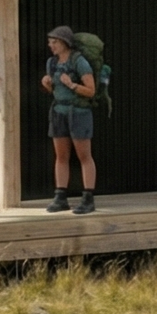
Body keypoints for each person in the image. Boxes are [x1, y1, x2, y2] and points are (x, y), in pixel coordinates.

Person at [41, 25, 98, 214]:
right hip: (59, 112)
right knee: (61, 156)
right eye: (50, 42)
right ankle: (60, 197)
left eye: (54, 42)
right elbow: (55, 92)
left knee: (84, 156)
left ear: (65, 42)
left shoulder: (79, 61)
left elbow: (91, 91)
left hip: (79, 113)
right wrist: (48, 85)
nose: (51, 46)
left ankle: (88, 198)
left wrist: (72, 84)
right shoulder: (52, 63)